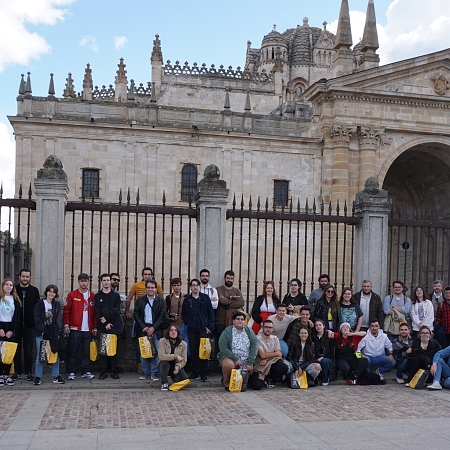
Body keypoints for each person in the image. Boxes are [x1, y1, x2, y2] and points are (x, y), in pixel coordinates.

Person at [63, 273, 97, 380]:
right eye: (82, 281)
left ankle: (85, 371)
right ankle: (72, 371)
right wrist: (66, 324)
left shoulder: (92, 296)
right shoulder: (72, 295)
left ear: (88, 282)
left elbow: (96, 313)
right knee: (73, 351)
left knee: (86, 352)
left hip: (88, 329)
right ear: (78, 282)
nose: (84, 283)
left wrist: (95, 327)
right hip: (75, 328)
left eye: (85, 281)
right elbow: (67, 311)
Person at [181, 279, 215, 382]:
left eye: (197, 285)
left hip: (203, 328)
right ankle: (195, 372)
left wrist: (210, 326)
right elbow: (184, 314)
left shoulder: (205, 298)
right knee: (194, 351)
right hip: (192, 329)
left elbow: (210, 313)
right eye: (193, 285)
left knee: (203, 351)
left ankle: (203, 373)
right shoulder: (187, 300)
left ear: (200, 286)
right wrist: (188, 323)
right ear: (190, 287)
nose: (195, 287)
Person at [134, 279, 168, 381]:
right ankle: (146, 372)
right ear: (146, 288)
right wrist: (142, 326)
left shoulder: (160, 301)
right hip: (143, 329)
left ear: (156, 289)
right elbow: (136, 314)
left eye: (152, 287)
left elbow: (162, 316)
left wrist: (154, 327)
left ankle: (154, 373)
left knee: (156, 352)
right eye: (148, 287)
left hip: (155, 329)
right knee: (144, 353)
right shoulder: (140, 300)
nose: (150, 289)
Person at [217, 310, 259, 390]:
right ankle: (227, 383)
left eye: (242, 319)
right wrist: (235, 358)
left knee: (256, 384)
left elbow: (255, 344)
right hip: (231, 358)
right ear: (233, 321)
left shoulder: (249, 331)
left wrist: (250, 361)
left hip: (247, 358)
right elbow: (223, 347)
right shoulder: (227, 332)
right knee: (228, 365)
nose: (240, 321)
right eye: (238, 319)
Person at [33, 284, 65, 385]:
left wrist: (56, 330)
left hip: (53, 333)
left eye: (53, 292)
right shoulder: (39, 304)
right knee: (40, 355)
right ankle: (38, 376)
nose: (51, 294)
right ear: (46, 292)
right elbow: (37, 318)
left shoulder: (56, 305)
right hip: (41, 332)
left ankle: (56, 375)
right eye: (50, 291)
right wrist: (44, 329)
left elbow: (58, 319)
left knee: (55, 353)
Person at [94, 273, 124, 380]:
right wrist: (105, 323)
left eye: (108, 280)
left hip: (113, 326)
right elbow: (98, 312)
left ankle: (113, 371)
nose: (106, 282)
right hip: (103, 327)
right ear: (101, 282)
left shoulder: (115, 296)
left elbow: (116, 310)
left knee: (113, 350)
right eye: (104, 280)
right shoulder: (97, 296)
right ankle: (103, 372)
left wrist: (107, 316)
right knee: (103, 351)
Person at [13, 268, 40, 382]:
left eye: (27, 276)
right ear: (19, 277)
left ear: (30, 277)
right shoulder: (14, 289)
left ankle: (29, 372)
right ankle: (17, 372)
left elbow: (38, 308)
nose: (25, 278)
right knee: (16, 349)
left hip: (30, 325)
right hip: (16, 325)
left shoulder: (34, 290)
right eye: (23, 276)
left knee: (28, 350)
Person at [249, 319, 288, 390]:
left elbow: (279, 354)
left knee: (284, 367)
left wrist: (266, 359)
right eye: (266, 327)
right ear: (262, 328)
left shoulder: (275, 338)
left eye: (270, 327)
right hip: (260, 364)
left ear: (272, 329)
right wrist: (274, 354)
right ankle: (264, 378)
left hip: (270, 362)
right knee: (256, 386)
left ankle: (270, 378)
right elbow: (262, 355)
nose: (268, 329)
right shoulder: (257, 339)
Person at [0, 279, 21, 386]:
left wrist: (12, 330)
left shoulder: (15, 300)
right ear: (3, 286)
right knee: (0, 353)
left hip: (10, 327)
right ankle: (0, 375)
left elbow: (17, 317)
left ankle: (6, 375)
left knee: (9, 352)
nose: (9, 287)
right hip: (1, 327)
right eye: (7, 285)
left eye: (11, 285)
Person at [215, 270, 244, 338]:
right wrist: (234, 299)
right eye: (228, 278)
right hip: (220, 321)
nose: (229, 280)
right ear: (224, 278)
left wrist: (229, 305)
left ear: (233, 279)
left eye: (231, 279)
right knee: (219, 343)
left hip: (233, 321)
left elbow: (242, 302)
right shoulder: (219, 289)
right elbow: (221, 300)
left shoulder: (237, 291)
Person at [158, 324, 188, 391]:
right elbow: (161, 356)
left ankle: (174, 378)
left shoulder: (183, 344)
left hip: (175, 365)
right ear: (168, 332)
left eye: (175, 330)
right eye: (171, 330)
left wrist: (177, 367)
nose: (173, 332)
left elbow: (184, 360)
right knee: (164, 364)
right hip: (165, 364)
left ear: (178, 333)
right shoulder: (162, 341)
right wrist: (176, 356)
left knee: (183, 379)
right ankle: (164, 383)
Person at [312, 319, 335, 385]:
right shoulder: (313, 337)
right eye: (316, 325)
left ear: (324, 326)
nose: (318, 327)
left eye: (320, 325)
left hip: (327, 357)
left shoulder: (329, 337)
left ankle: (325, 379)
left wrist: (323, 357)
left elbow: (332, 352)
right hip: (315, 357)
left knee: (324, 361)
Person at [165, 278, 188, 346]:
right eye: (174, 285)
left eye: (178, 285)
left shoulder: (186, 297)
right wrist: (169, 318)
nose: (176, 287)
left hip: (184, 325)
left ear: (181, 285)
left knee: (184, 346)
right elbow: (164, 312)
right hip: (172, 326)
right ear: (172, 286)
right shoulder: (168, 298)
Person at [430, 280, 446, 348]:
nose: (437, 287)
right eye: (435, 286)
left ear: (442, 287)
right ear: (433, 287)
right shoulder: (429, 297)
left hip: (442, 323)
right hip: (430, 321)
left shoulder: (446, 297)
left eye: (438, 286)